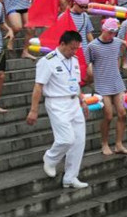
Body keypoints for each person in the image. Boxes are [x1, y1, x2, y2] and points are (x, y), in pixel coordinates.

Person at [27, 30, 89, 189]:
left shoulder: (74, 60)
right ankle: (50, 158)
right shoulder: (48, 61)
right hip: (57, 103)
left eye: (76, 48)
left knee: (79, 141)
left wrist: (82, 101)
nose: (74, 52)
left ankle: (71, 177)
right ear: (62, 44)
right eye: (72, 48)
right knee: (66, 139)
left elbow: (75, 83)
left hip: (74, 102)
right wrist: (34, 110)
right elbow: (38, 86)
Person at [85, 18, 127, 156]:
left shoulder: (117, 42)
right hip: (102, 83)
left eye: (114, 33)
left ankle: (119, 144)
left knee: (123, 113)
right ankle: (104, 143)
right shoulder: (92, 46)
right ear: (103, 30)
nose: (112, 35)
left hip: (116, 82)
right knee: (108, 115)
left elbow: (125, 46)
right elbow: (87, 64)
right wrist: (89, 78)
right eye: (110, 32)